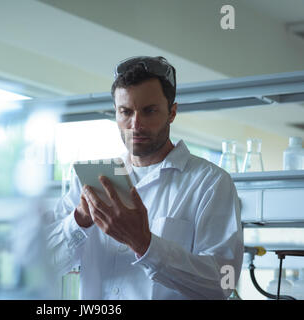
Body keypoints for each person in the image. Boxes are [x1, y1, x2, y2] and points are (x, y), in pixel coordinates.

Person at [46, 56, 244, 299]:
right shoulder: (90, 181)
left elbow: (223, 282)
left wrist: (144, 244)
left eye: (149, 111)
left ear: (172, 112)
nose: (135, 124)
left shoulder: (210, 183)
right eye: (125, 112)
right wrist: (80, 221)